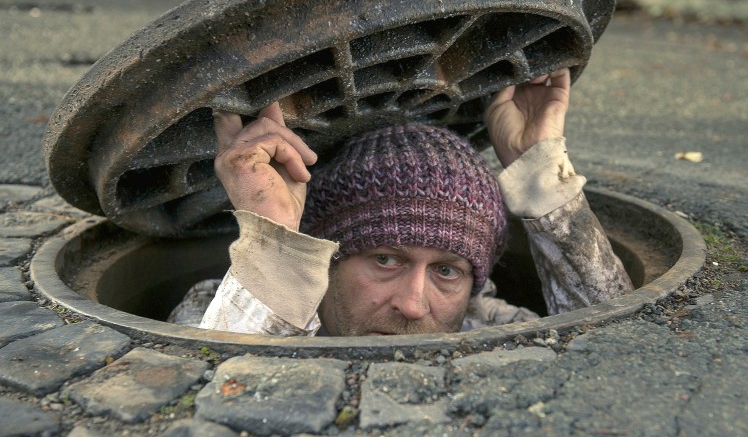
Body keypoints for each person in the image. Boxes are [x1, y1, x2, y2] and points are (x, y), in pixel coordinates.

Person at [170, 69, 633, 336]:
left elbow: (619, 353)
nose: (413, 306)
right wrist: (273, 235)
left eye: (447, 271)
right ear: (325, 260)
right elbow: (213, 395)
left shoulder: (485, 325)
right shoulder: (216, 307)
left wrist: (542, 176)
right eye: (386, 259)